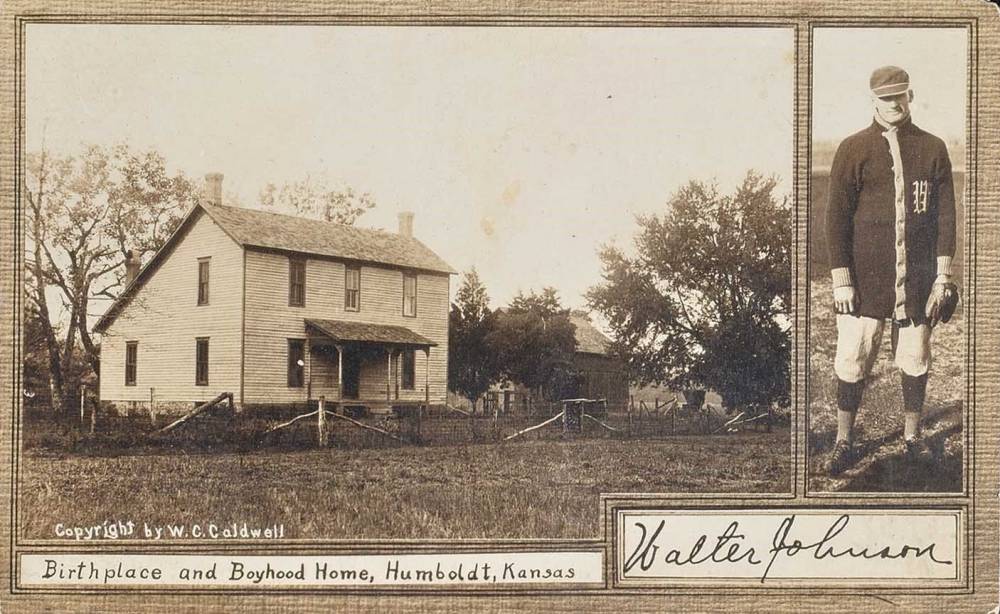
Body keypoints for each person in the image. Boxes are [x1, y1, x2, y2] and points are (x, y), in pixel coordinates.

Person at [824, 65, 958, 476]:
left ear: (911, 97)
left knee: (915, 357)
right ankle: (844, 441)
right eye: (886, 98)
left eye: (900, 95)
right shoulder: (852, 148)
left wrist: (943, 276)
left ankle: (912, 438)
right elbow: (836, 219)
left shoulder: (933, 148)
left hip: (917, 281)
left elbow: (946, 217)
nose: (894, 103)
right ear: (873, 101)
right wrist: (842, 279)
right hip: (864, 282)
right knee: (853, 358)